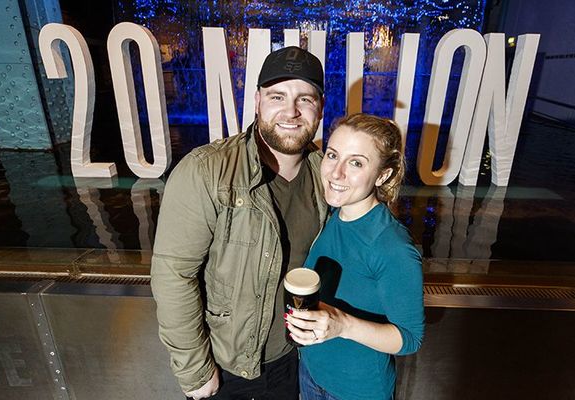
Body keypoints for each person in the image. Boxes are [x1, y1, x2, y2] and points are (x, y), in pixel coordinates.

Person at [151, 46, 328, 400]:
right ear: (258, 101)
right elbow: (173, 274)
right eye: (278, 96)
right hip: (227, 368)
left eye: (304, 99)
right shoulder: (206, 171)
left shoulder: (326, 175)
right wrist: (196, 371)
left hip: (297, 362)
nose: (291, 112)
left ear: (320, 108)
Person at [285, 113, 425, 400]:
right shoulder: (335, 216)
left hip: (357, 390)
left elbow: (410, 338)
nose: (336, 173)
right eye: (333, 155)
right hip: (312, 373)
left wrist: (343, 325)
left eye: (356, 163)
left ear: (383, 175)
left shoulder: (392, 246)